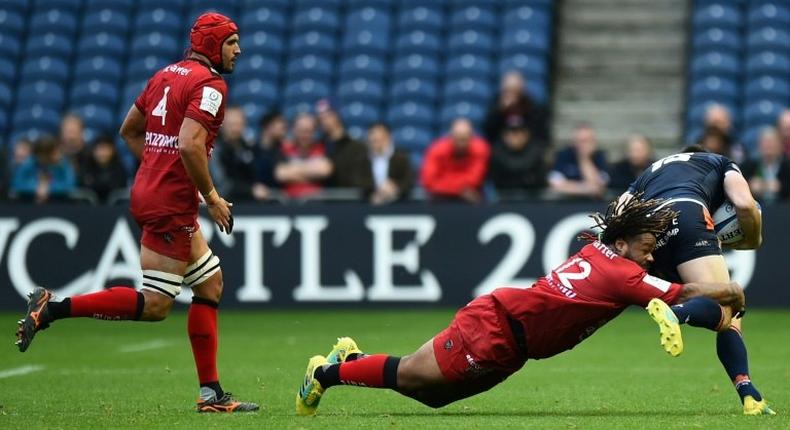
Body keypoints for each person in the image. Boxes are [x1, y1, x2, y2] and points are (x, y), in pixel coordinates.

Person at [295, 196, 748, 416]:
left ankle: (352, 359)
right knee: (415, 375)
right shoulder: (622, 274)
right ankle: (324, 374)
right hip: (495, 325)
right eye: (647, 248)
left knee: (431, 397)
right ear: (624, 242)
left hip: (514, 343)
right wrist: (730, 290)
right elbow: (685, 296)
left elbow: (656, 283)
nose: (652, 257)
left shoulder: (600, 250)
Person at [15, 13, 258, 413]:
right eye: (232, 42)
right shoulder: (211, 86)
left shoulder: (163, 75)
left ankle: (211, 394)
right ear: (213, 44)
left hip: (153, 191)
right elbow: (190, 145)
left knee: (210, 285)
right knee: (156, 306)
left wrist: (157, 167)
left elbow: (129, 129)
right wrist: (211, 196)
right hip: (169, 203)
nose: (239, 50)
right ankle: (51, 308)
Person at [620, 146, 775, 415]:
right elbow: (745, 204)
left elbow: (618, 212)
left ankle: (749, 393)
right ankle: (747, 392)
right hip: (688, 213)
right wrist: (753, 239)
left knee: (709, 302)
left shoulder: (648, 174)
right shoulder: (719, 162)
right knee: (729, 307)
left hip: (646, 232)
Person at [421, 118, 490, 203]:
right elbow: (428, 181)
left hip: (470, 197)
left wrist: (445, 182)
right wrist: (459, 188)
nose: (461, 144)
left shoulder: (480, 149)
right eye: (458, 139)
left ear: (471, 137)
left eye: (464, 139)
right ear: (451, 137)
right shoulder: (436, 150)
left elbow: (475, 179)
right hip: (441, 197)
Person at [315, 99, 369, 191]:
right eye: (320, 118)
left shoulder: (357, 147)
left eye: (327, 116)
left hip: (349, 198)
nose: (323, 121)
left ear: (337, 116)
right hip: (323, 199)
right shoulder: (318, 145)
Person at [482, 70, 549, 145]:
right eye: (507, 90)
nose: (511, 94)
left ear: (522, 89)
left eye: (514, 90)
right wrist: (500, 110)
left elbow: (540, 133)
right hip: (501, 148)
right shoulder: (496, 103)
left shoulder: (533, 106)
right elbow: (488, 132)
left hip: (528, 147)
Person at [275, 113, 332, 198]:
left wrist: (292, 170)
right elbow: (281, 174)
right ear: (294, 130)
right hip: (289, 203)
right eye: (301, 130)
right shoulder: (284, 150)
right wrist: (312, 173)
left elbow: (325, 171)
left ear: (314, 132)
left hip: (317, 203)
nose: (305, 135)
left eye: (309, 131)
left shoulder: (322, 149)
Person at [209, 105, 259, 201]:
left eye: (239, 124)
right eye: (231, 125)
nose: (235, 129)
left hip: (249, 203)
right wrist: (250, 191)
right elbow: (222, 184)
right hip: (222, 202)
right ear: (222, 125)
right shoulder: (214, 150)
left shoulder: (248, 147)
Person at [548, 123, 609, 198]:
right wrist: (585, 188)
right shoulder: (563, 155)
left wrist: (584, 158)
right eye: (579, 141)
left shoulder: (600, 157)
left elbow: (598, 187)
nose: (582, 145)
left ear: (593, 142)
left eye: (586, 141)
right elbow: (555, 184)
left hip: (593, 204)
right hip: (565, 202)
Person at [488, 115, 546, 194]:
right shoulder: (497, 151)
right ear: (504, 135)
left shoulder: (536, 150)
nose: (514, 136)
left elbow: (539, 180)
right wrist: (525, 177)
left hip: (533, 197)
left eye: (518, 132)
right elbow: (497, 180)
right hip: (503, 198)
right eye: (510, 132)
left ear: (526, 134)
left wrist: (512, 176)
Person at [10, 135, 76, 203]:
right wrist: (36, 187)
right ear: (43, 154)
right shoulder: (29, 162)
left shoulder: (62, 163)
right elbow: (16, 184)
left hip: (58, 203)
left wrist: (49, 188)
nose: (59, 154)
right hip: (29, 203)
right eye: (55, 152)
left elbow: (69, 186)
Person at [364, 122, 413, 204]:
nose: (376, 143)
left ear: (388, 137)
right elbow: (358, 180)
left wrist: (394, 187)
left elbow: (408, 181)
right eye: (373, 140)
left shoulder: (401, 157)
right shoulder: (363, 158)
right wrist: (377, 190)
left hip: (398, 204)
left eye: (380, 139)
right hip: (368, 203)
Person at [741, 127, 790, 203]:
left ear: (780, 145)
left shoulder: (787, 165)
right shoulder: (748, 165)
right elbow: (739, 186)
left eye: (772, 142)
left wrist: (781, 187)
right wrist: (749, 186)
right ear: (759, 145)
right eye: (765, 142)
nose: (768, 146)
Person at [78, 135, 129, 203]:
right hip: (87, 209)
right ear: (93, 151)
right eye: (100, 149)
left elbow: (119, 187)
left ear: (112, 150)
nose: (102, 153)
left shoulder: (119, 168)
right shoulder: (86, 166)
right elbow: (83, 186)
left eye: (105, 149)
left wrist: (96, 183)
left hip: (116, 209)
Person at [252, 110, 287, 201]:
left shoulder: (282, 150)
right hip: (253, 200)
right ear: (268, 126)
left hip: (278, 199)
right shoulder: (251, 150)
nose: (283, 127)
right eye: (279, 123)